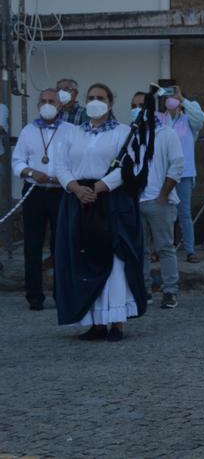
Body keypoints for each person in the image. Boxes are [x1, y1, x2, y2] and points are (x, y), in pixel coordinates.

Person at [53, 83, 147, 341]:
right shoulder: (72, 133)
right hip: (78, 200)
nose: (95, 101)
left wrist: (99, 187)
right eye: (91, 97)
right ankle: (95, 322)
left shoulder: (123, 132)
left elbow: (128, 166)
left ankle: (116, 321)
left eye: (101, 97)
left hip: (110, 201)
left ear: (110, 102)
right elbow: (60, 164)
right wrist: (75, 188)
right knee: (83, 259)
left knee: (113, 261)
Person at [13, 88, 69, 310]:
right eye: (43, 101)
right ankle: (34, 296)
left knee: (61, 245)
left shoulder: (71, 131)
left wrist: (65, 179)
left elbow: (76, 160)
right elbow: (17, 160)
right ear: (38, 105)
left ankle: (62, 294)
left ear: (60, 105)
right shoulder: (28, 130)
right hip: (34, 192)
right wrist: (30, 172)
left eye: (52, 101)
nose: (47, 104)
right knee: (32, 246)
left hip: (61, 193)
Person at [131, 92, 185, 310]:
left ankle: (170, 291)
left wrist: (163, 194)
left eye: (141, 105)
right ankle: (143, 291)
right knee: (140, 250)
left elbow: (177, 165)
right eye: (133, 105)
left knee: (165, 248)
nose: (136, 109)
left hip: (159, 201)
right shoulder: (130, 135)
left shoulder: (166, 134)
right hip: (136, 201)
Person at [157, 79, 204, 263]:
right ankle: (161, 248)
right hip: (162, 174)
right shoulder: (159, 119)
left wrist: (182, 100)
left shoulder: (189, 120)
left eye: (173, 95)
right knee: (161, 213)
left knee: (184, 213)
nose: (170, 99)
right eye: (167, 96)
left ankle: (190, 250)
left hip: (184, 174)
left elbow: (200, 117)